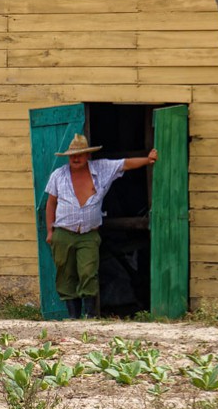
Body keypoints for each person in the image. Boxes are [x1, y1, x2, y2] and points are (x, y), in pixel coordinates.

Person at [44, 134, 158, 319]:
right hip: (63, 233)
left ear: (88, 155)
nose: (76, 158)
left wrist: (148, 160)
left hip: (89, 234)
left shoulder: (101, 169)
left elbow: (125, 164)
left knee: (88, 272)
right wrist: (50, 230)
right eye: (72, 155)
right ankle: (73, 317)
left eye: (80, 154)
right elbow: (51, 203)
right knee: (65, 274)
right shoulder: (59, 175)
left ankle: (89, 316)